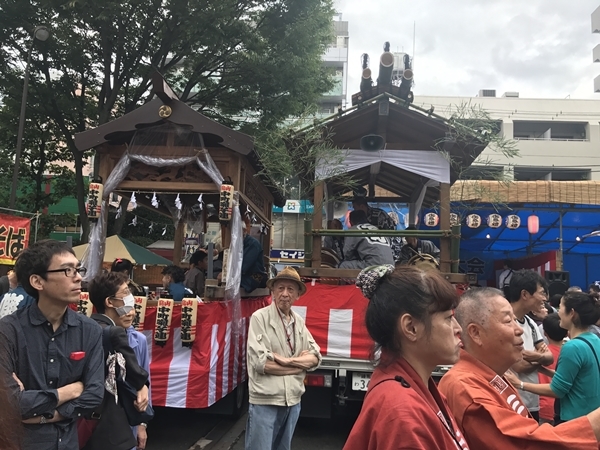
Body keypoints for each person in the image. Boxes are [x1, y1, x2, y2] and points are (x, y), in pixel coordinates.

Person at [439, 287, 600, 449]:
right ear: (475, 333)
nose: (519, 330)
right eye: (508, 321)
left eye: (516, 320)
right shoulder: (466, 389)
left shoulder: (489, 375)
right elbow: (526, 444)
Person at [343, 266, 469, 450]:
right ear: (411, 328)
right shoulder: (403, 414)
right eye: (448, 318)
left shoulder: (414, 388)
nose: (458, 329)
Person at [0, 240, 104, 450]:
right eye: (67, 270)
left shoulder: (89, 330)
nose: (78, 277)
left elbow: (94, 395)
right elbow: (11, 404)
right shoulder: (8, 331)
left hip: (68, 443)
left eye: (77, 269)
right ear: (38, 281)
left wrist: (45, 416)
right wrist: (70, 391)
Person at [245, 267, 321, 450]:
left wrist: (287, 361)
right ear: (273, 292)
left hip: (292, 400)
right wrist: (299, 367)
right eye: (280, 288)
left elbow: (316, 357)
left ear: (297, 295)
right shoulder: (259, 318)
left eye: (290, 289)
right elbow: (261, 363)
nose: (285, 294)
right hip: (266, 399)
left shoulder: (298, 321)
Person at [505, 291, 600, 423]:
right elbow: (575, 378)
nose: (557, 312)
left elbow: (557, 390)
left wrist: (519, 384)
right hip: (592, 415)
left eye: (560, 307)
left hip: (574, 417)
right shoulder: (594, 339)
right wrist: (543, 370)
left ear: (572, 313)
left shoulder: (572, 347)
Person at [87, 271, 150, 450]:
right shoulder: (91, 333)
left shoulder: (139, 340)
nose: (130, 299)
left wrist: (142, 424)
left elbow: (144, 384)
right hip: (106, 425)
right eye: (124, 293)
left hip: (127, 421)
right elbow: (141, 380)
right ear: (109, 302)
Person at [508, 269, 554, 421]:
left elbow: (549, 358)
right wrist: (539, 359)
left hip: (532, 401)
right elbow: (518, 366)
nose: (544, 299)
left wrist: (535, 357)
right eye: (541, 293)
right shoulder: (506, 323)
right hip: (512, 399)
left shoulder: (531, 323)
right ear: (525, 294)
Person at [537, 313, 567, 424]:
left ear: (544, 333)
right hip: (563, 407)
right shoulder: (570, 353)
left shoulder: (541, 354)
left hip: (543, 406)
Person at [240, 220, 268, 293]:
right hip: (243, 277)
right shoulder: (239, 243)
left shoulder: (253, 244)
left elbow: (243, 266)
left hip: (252, 279)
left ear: (244, 231)